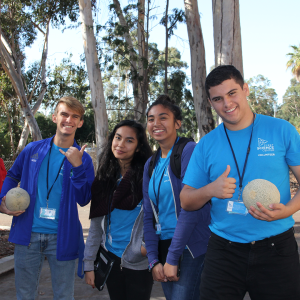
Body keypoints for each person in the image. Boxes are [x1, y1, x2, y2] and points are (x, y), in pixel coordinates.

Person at [181, 65, 300, 300]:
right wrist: (210, 190)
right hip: (223, 252)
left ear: (245, 89)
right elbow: (186, 200)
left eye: (232, 93)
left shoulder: (281, 130)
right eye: (218, 98)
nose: (226, 104)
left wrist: (287, 210)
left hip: (277, 250)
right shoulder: (206, 144)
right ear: (210, 102)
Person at [0, 96, 95, 300]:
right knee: (24, 294)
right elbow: (11, 176)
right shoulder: (32, 149)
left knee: (63, 295)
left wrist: (77, 166)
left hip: (63, 237)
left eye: (75, 116)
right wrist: (2, 201)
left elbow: (84, 199)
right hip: (28, 235)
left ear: (80, 123)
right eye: (64, 114)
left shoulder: (84, 158)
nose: (68, 120)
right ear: (54, 117)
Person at [143, 95, 211, 300]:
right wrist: (154, 260)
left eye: (163, 118)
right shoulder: (151, 164)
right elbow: (149, 215)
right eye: (151, 118)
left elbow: (190, 208)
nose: (156, 123)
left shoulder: (188, 151)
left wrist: (172, 257)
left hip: (190, 246)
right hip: (164, 244)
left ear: (177, 123)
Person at [84, 120, 153, 300]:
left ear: (138, 147)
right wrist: (89, 264)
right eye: (118, 138)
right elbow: (96, 227)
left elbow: (159, 217)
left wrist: (146, 247)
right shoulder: (104, 179)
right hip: (111, 258)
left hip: (139, 262)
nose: (121, 144)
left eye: (129, 140)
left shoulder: (147, 178)